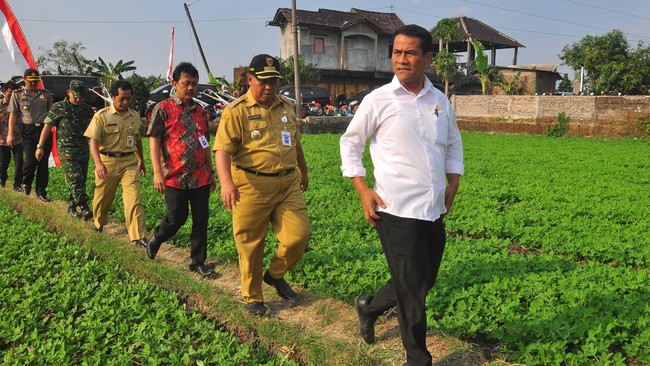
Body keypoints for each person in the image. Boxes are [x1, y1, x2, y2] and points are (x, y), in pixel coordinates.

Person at [339, 24, 464, 366]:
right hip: (395, 209)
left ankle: (369, 306)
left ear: (427, 58)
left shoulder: (440, 101)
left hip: (434, 206)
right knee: (411, 292)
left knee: (423, 282)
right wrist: (362, 189)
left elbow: (452, 143)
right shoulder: (378, 100)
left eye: (410, 53)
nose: (401, 59)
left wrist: (453, 182)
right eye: (396, 52)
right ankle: (417, 359)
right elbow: (350, 143)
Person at [214, 54, 310, 316]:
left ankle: (275, 274)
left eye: (274, 81)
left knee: (298, 235)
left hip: (287, 183)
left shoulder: (286, 107)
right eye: (263, 81)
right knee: (251, 243)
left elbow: (295, 141)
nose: (269, 87)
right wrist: (226, 183)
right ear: (249, 80)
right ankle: (252, 296)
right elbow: (222, 150)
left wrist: (303, 169)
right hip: (250, 184)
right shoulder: (236, 112)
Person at [146, 62, 217, 277]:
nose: (191, 88)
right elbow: (154, 141)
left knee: (201, 219)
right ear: (174, 83)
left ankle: (198, 262)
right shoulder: (163, 109)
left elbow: (204, 142)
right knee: (176, 217)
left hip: (200, 176)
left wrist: (211, 171)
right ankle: (158, 237)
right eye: (186, 83)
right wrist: (157, 172)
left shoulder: (201, 113)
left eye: (194, 84)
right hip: (174, 176)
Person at [83, 80, 148, 247]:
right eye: (122, 99)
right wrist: (98, 164)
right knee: (103, 197)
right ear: (112, 97)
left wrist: (141, 160)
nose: (126, 102)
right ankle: (99, 223)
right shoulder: (102, 116)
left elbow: (138, 140)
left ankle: (138, 236)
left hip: (129, 162)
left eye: (128, 98)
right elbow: (93, 141)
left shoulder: (134, 116)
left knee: (134, 199)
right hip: (107, 162)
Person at [35, 80, 95, 219]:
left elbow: (94, 131)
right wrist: (40, 147)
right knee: (75, 178)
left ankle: (72, 206)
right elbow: (47, 128)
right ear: (68, 92)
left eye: (81, 97)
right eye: (76, 96)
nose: (78, 99)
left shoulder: (87, 110)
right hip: (66, 149)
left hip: (83, 149)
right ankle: (84, 207)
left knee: (80, 180)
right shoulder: (58, 107)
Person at [7, 68, 53, 201]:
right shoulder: (18, 95)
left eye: (35, 81)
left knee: (43, 162)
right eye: (30, 81)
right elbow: (13, 115)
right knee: (30, 160)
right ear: (24, 80)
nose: (33, 84)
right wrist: (10, 134)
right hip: (28, 130)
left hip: (44, 130)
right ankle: (26, 182)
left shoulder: (46, 95)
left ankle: (41, 191)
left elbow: (52, 114)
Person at [0, 81, 24, 191]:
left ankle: (17, 184)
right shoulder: (0, 104)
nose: (12, 97)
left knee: (19, 161)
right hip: (2, 139)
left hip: (18, 137)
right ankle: (2, 180)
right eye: (10, 94)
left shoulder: (21, 105)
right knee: (3, 162)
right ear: (4, 92)